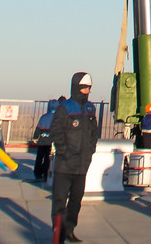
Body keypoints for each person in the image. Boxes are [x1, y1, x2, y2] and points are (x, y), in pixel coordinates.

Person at [50, 73, 101, 244]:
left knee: (76, 202)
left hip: (81, 166)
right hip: (64, 165)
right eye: (84, 87)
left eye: (89, 88)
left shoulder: (90, 109)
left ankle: (69, 230)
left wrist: (90, 151)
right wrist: (64, 151)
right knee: (59, 202)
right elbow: (56, 131)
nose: (87, 91)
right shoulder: (65, 108)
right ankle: (58, 234)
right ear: (76, 87)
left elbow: (94, 132)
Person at [32, 98, 57, 182]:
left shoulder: (43, 117)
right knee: (48, 159)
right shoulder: (58, 118)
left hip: (42, 140)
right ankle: (46, 173)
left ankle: (37, 173)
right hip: (51, 141)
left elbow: (38, 129)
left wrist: (35, 138)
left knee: (39, 157)